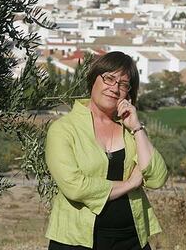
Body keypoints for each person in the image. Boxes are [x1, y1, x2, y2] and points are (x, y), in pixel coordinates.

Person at [45, 51, 168, 250]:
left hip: (131, 239)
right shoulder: (64, 129)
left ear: (128, 92)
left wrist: (136, 127)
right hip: (76, 240)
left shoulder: (130, 130)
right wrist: (130, 184)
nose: (114, 88)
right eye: (109, 78)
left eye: (123, 84)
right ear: (93, 79)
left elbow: (156, 177)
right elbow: (75, 187)